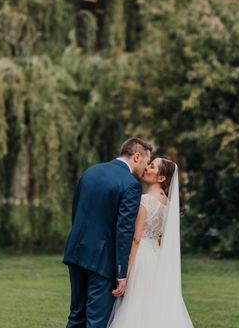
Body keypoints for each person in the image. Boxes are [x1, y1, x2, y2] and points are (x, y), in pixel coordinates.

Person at [63, 137, 152, 328]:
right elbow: (124, 230)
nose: (146, 168)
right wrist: (122, 273)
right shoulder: (130, 184)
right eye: (146, 162)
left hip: (76, 251)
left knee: (76, 315)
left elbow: (77, 211)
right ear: (137, 156)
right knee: (96, 321)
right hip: (102, 260)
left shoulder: (90, 172)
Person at [107, 157, 194, 328]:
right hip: (157, 259)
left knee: (135, 305)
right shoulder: (169, 205)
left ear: (161, 178)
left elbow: (136, 239)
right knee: (152, 305)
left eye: (152, 166)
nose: (146, 167)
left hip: (141, 259)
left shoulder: (144, 200)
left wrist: (124, 273)